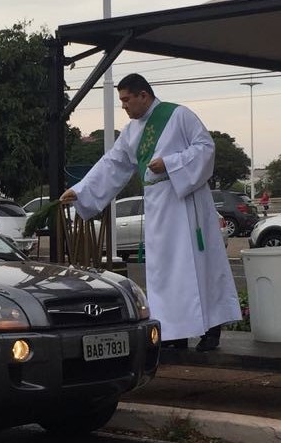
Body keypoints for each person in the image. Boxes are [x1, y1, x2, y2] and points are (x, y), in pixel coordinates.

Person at [60, 73, 240, 351]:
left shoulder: (179, 115)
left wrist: (170, 163)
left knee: (196, 265)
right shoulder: (132, 132)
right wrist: (81, 191)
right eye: (120, 101)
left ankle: (211, 330)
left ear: (144, 95)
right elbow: (113, 164)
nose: (124, 106)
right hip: (158, 207)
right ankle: (175, 332)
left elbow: (206, 148)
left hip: (186, 201)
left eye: (126, 99)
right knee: (165, 271)